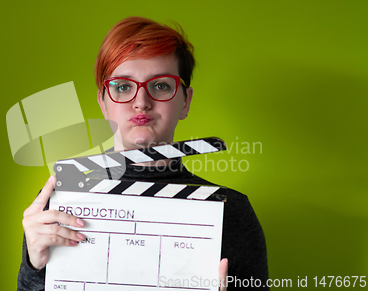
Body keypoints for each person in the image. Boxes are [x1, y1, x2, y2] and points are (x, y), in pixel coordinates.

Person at [18, 16, 268, 290]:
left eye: (160, 85)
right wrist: (35, 266)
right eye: (123, 87)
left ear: (185, 101)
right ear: (103, 102)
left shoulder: (231, 211)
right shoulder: (57, 205)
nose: (141, 102)